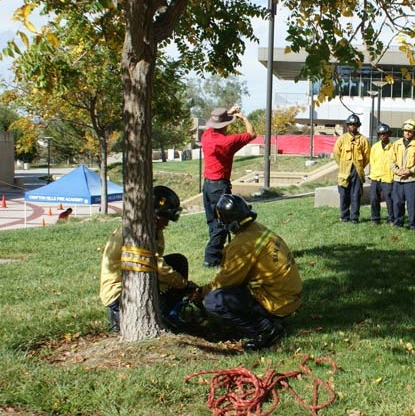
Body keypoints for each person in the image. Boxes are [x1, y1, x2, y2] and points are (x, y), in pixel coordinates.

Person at [193, 194, 302, 351]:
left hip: (277, 302)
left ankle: (266, 329)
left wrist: (202, 292)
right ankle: (266, 319)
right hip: (290, 296)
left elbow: (225, 281)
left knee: (214, 300)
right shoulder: (257, 228)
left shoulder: (242, 244)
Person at [99, 185, 196, 332]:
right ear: (154, 215)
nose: (167, 223)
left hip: (138, 277)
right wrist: (184, 285)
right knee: (175, 280)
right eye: (165, 218)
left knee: (178, 261)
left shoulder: (154, 229)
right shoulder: (137, 235)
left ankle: (168, 311)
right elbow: (158, 268)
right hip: (120, 292)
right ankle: (138, 317)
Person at [201, 106, 256, 267]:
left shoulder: (206, 136)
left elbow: (214, 125)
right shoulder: (227, 142)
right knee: (223, 224)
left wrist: (229, 113)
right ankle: (211, 259)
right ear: (225, 125)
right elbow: (252, 134)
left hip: (207, 187)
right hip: (220, 187)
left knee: (212, 222)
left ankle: (217, 255)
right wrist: (243, 117)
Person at [332, 113, 370, 223]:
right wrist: (343, 165)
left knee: (356, 195)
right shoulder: (342, 139)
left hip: (357, 172)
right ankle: (344, 216)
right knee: (344, 195)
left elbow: (367, 156)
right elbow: (336, 153)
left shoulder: (363, 140)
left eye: (354, 125)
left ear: (358, 126)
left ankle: (354, 217)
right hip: (344, 172)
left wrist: (360, 166)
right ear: (348, 126)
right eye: (350, 125)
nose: (352, 126)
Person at [389, 119, 415, 230]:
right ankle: (398, 222)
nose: (407, 133)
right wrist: (397, 171)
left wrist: (410, 171)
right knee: (397, 203)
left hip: (411, 180)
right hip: (398, 179)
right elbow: (391, 160)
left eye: (410, 131)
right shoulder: (396, 144)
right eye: (405, 130)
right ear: (403, 131)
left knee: (411, 203)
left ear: (414, 132)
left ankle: (412, 224)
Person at [368, 123, 395, 225]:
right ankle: (375, 219)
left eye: (384, 133)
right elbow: (372, 161)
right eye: (380, 134)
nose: (382, 135)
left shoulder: (394, 147)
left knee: (390, 200)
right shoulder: (374, 147)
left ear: (389, 134)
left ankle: (391, 218)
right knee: (374, 199)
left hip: (388, 178)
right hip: (376, 177)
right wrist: (374, 173)